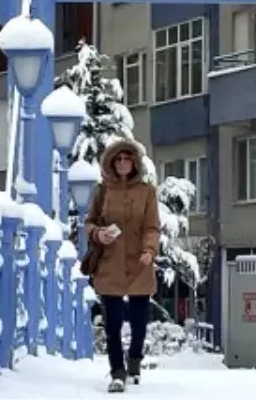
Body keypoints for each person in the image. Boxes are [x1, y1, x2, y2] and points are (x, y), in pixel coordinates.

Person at [86, 139, 161, 393]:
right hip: (110, 264)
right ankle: (117, 372)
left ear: (134, 162)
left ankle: (135, 361)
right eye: (117, 160)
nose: (122, 163)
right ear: (111, 163)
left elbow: (152, 226)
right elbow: (89, 223)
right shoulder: (102, 191)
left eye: (126, 159)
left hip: (140, 263)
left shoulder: (147, 192)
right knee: (112, 324)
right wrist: (98, 233)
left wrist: (149, 250)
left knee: (139, 322)